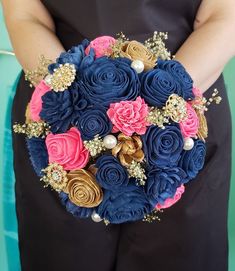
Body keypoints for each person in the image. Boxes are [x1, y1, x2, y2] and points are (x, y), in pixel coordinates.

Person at [2, 0, 234, 270]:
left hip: (184, 120)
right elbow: (26, 15)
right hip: (62, 127)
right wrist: (74, 103)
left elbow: (222, 16)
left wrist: (161, 104)